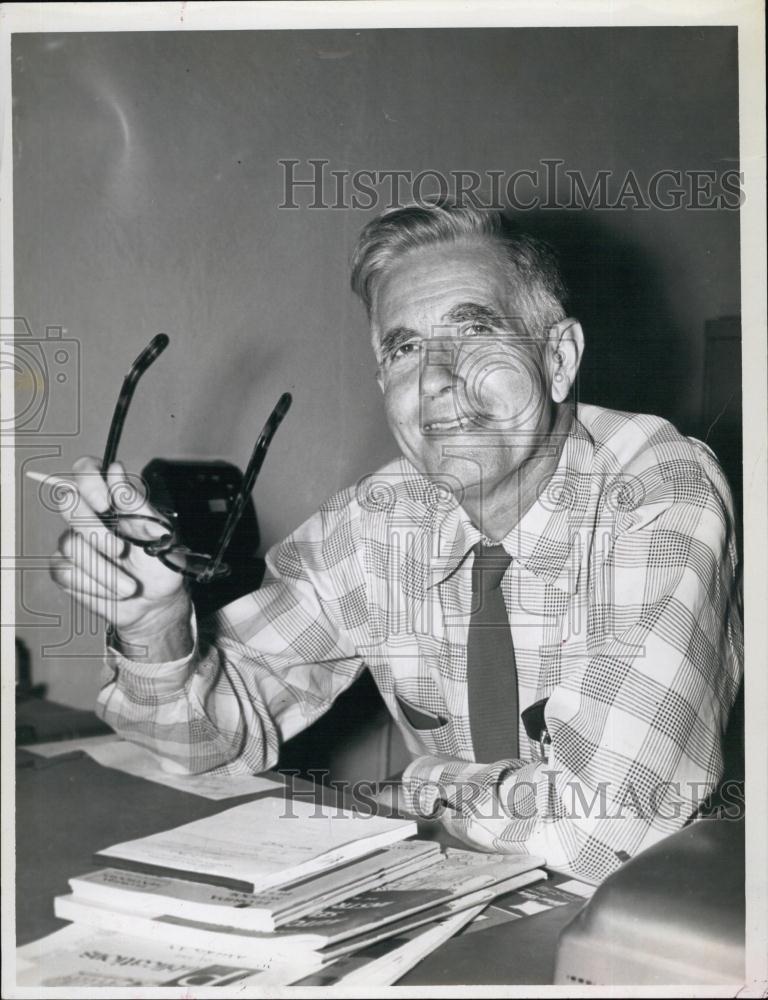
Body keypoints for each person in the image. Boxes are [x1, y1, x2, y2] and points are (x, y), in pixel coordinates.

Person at [50, 202, 743, 883]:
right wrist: (157, 629)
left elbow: (612, 822)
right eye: (405, 348)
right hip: (465, 904)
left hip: (661, 915)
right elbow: (199, 747)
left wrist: (418, 790)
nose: (438, 380)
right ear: (386, 383)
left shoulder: (659, 486)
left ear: (559, 360)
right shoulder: (376, 520)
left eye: (476, 331)